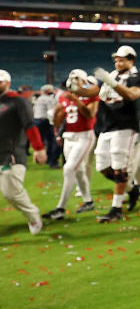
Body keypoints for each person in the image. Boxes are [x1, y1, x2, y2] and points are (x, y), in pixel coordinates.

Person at [76, 45, 140, 223]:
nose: (117, 62)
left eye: (121, 59)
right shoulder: (112, 76)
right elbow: (94, 92)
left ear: (131, 60)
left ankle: (116, 208)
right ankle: (131, 189)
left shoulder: (139, 77)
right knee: (102, 166)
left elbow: (132, 95)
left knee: (119, 167)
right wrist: (76, 90)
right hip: (107, 126)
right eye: (116, 59)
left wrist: (113, 83)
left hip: (125, 125)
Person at [42, 70, 99, 220]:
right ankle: (88, 202)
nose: (73, 81)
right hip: (69, 137)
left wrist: (75, 99)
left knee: (68, 168)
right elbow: (59, 120)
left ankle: (60, 208)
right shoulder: (64, 96)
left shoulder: (91, 94)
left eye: (77, 78)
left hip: (84, 137)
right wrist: (56, 115)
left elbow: (90, 114)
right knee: (78, 171)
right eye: (71, 78)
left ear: (84, 81)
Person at [0, 69, 47, 234]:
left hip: (11, 154)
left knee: (11, 193)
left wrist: (39, 148)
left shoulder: (18, 102)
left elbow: (30, 125)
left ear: (8, 83)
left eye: (0, 81)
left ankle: (33, 215)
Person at [33, 84, 59, 168]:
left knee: (40, 140)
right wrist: (54, 122)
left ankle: (39, 159)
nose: (52, 91)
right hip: (45, 121)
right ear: (47, 91)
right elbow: (51, 112)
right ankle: (50, 160)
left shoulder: (39, 99)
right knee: (51, 140)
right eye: (51, 89)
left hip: (36, 120)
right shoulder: (48, 99)